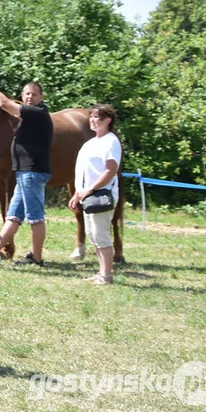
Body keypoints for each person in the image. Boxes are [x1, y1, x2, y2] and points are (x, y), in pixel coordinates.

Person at [0, 72, 54, 266]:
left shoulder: (37, 113)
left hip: (32, 173)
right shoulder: (31, 114)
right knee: (14, 216)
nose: (29, 97)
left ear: (41, 97)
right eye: (26, 94)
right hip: (25, 173)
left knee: (35, 218)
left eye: (34, 94)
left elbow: (4, 104)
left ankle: (36, 258)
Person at [69, 104, 122, 286]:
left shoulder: (110, 141)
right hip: (87, 194)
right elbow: (84, 172)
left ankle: (106, 275)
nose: (93, 120)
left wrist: (90, 189)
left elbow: (110, 170)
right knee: (93, 235)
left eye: (97, 117)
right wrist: (77, 194)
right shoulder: (90, 143)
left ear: (108, 120)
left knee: (101, 235)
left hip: (101, 193)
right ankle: (101, 272)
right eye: (91, 116)